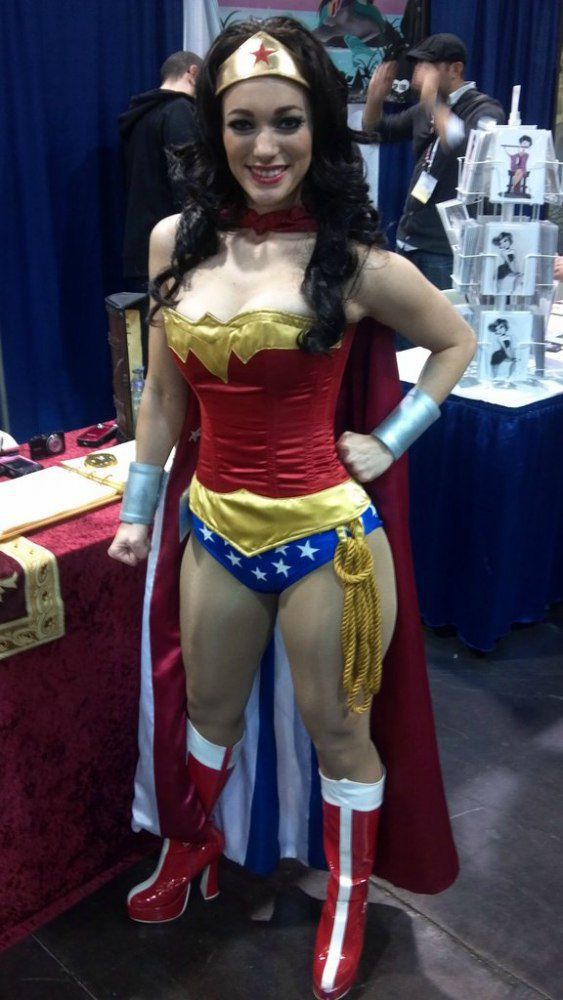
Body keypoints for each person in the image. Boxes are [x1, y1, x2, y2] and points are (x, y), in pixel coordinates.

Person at [108, 18, 475, 1000]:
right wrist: (140, 508)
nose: (264, 146)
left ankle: (348, 893)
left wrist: (389, 438)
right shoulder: (174, 245)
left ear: (316, 127)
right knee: (208, 710)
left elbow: (454, 339)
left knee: (337, 730)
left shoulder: (352, 261)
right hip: (213, 530)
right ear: (214, 131)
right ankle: (192, 846)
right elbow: (162, 397)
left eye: (287, 121)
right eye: (242, 124)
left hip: (328, 542)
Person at [363, 32, 505, 291]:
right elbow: (375, 131)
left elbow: (461, 145)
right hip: (409, 238)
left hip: (444, 250)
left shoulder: (485, 110)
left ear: (455, 69)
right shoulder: (425, 109)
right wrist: (374, 97)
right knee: (402, 316)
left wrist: (430, 101)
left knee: (439, 317)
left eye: (427, 65)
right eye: (418, 64)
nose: (418, 72)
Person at [119, 50, 202, 289]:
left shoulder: (139, 117)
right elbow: (189, 180)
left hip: (142, 245)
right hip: (173, 247)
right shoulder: (179, 110)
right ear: (192, 73)